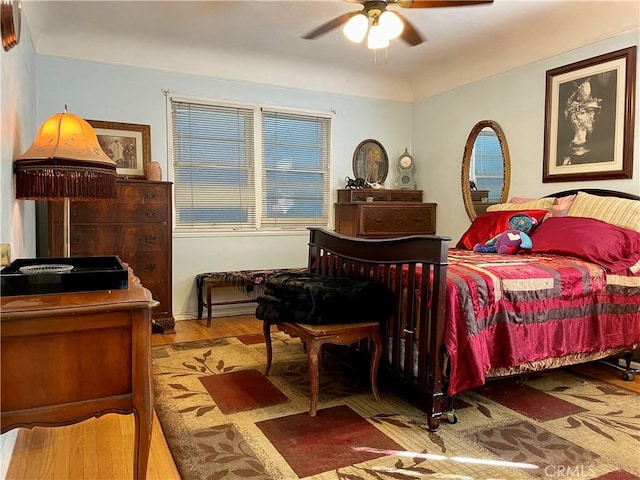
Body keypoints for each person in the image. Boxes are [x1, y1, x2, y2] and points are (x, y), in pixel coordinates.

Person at [561, 78, 602, 165]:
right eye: (584, 112)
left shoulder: (597, 151)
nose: (591, 116)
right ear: (574, 118)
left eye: (592, 112)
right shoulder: (563, 151)